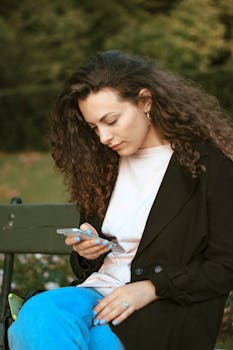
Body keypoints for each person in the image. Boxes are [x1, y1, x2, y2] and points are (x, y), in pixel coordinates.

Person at [8, 51, 233, 350]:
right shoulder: (103, 167)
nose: (103, 137)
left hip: (161, 309)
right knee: (38, 314)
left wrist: (152, 288)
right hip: (96, 295)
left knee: (84, 339)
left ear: (145, 101)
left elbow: (225, 265)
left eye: (111, 121)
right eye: (94, 127)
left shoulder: (207, 166)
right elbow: (88, 268)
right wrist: (89, 249)